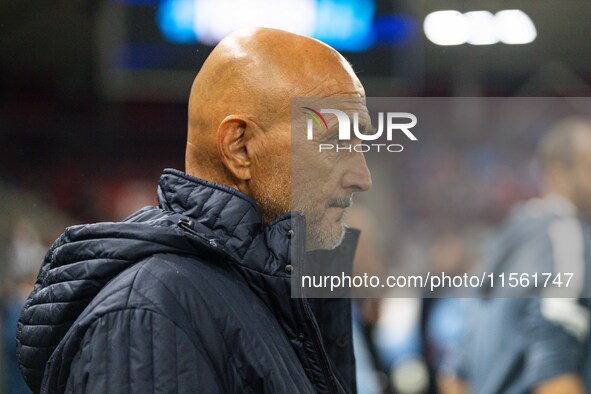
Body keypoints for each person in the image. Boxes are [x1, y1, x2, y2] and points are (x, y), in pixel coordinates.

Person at [16, 28, 372, 393]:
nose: (362, 177)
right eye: (334, 143)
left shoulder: (270, 291)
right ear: (240, 148)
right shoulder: (149, 316)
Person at [440, 117, 591, 394]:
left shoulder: (504, 239)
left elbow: (453, 373)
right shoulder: (566, 235)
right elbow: (555, 370)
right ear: (557, 175)